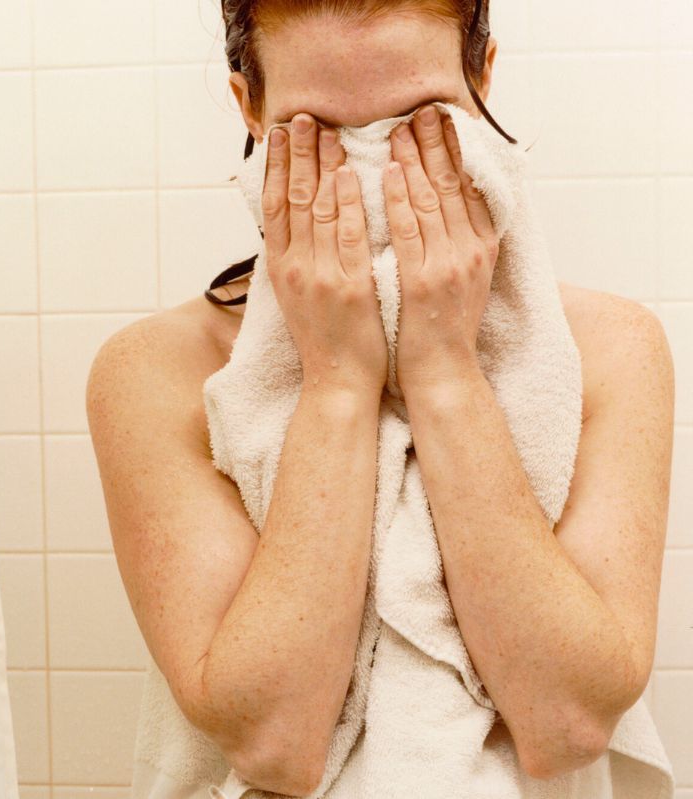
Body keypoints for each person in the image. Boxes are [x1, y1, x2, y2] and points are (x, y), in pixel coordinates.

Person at [85, 0, 675, 796]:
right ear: (248, 108)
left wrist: (444, 370)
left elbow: (570, 718)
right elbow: (273, 739)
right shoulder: (156, 373)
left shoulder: (611, 352)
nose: (373, 164)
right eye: (318, 131)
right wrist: (337, 381)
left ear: (483, 78)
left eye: (421, 118)